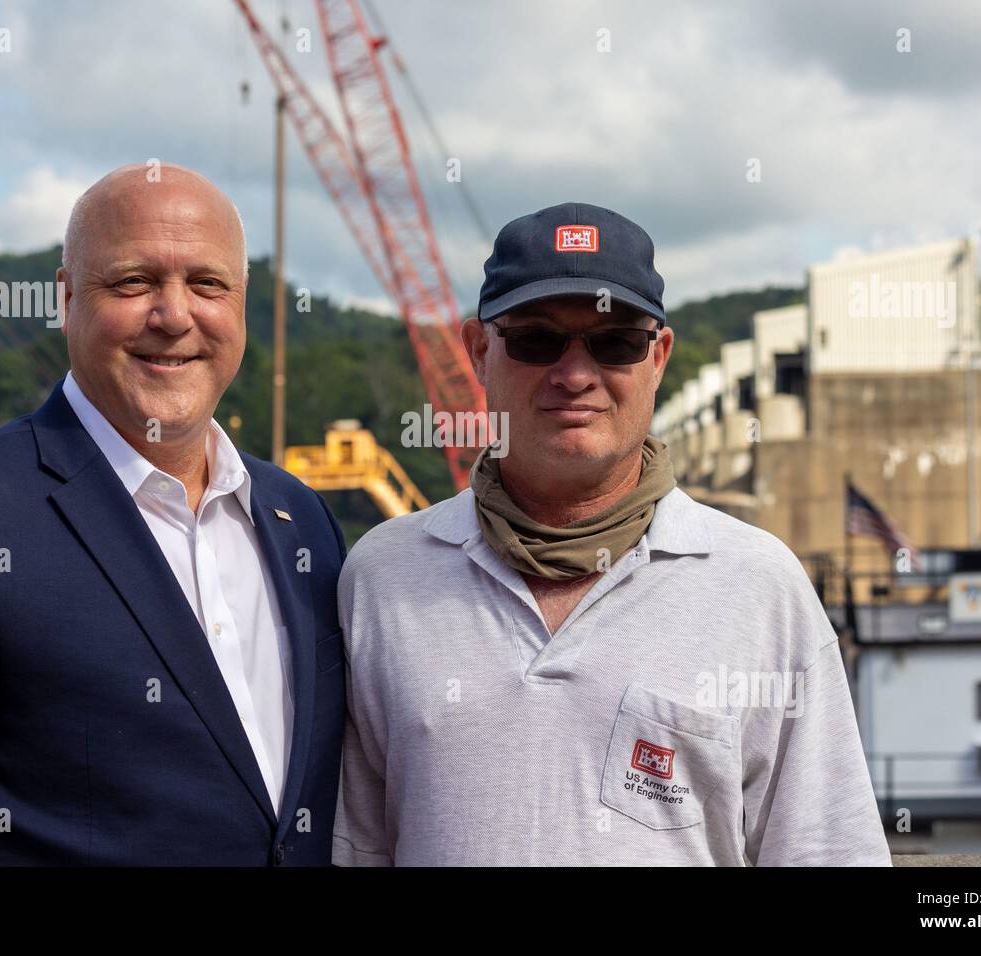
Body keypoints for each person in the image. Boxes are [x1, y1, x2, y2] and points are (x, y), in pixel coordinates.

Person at [0, 164, 346, 866]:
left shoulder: (299, 520)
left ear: (241, 304)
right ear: (65, 299)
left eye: (207, 284)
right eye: (133, 282)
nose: (175, 315)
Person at [332, 202, 891, 865]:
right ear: (480, 351)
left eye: (615, 342)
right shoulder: (382, 577)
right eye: (536, 339)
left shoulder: (759, 587)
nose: (575, 375)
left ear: (658, 358)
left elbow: (826, 851)